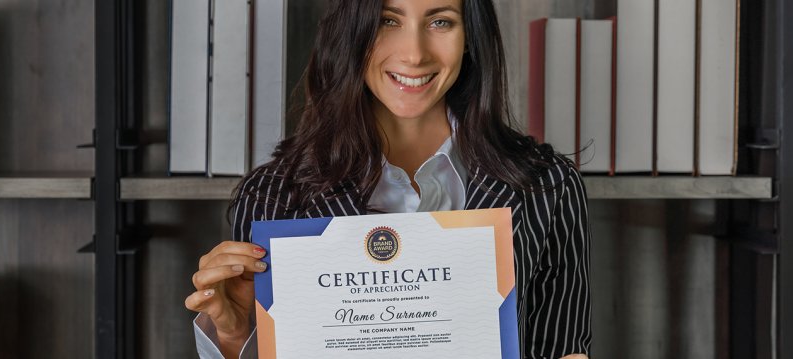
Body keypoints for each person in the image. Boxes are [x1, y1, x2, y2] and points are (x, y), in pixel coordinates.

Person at [184, 0, 592, 357]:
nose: (414, 54)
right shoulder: (272, 197)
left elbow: (558, 346)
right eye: (387, 20)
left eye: (440, 21)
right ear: (353, 32)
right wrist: (237, 337)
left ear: (470, 35)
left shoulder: (548, 187)